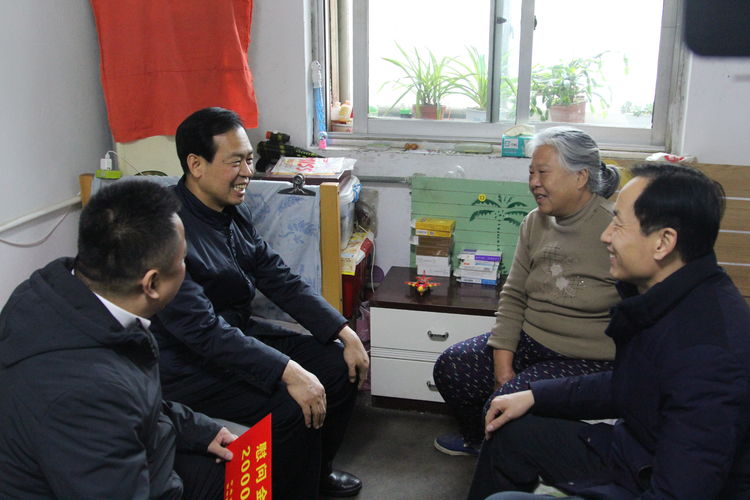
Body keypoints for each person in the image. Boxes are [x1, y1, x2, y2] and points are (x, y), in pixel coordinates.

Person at [468, 163, 750, 500]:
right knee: (510, 432)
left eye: (618, 223)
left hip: (649, 481)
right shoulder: (665, 297)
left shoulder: (710, 351)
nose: (606, 236)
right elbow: (631, 385)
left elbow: (678, 491)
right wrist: (533, 396)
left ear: (663, 242)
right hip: (632, 456)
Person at [149, 107, 369, 499]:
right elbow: (203, 332)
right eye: (235, 162)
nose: (247, 172)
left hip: (237, 335)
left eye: (249, 160)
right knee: (292, 404)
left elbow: (276, 275)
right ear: (195, 165)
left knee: (339, 365)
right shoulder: (167, 229)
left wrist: (343, 331)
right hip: (189, 361)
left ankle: (317, 473)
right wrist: (288, 372)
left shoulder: (232, 211)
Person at [0, 181, 237, 499]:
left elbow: (137, 402)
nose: (188, 267)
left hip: (136, 457)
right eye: (183, 259)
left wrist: (194, 428)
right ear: (152, 283)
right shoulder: (86, 392)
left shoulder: (58, 294)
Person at [433, 126, 622, 456]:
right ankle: (480, 445)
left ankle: (502, 460)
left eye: (543, 172)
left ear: (580, 177)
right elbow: (514, 295)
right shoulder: (535, 221)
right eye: (531, 172)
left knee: (502, 406)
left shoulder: (614, 230)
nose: (534, 182)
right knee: (452, 367)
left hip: (584, 359)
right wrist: (503, 364)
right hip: (530, 341)